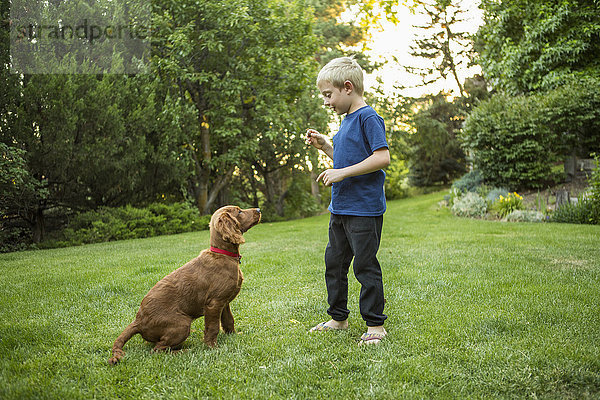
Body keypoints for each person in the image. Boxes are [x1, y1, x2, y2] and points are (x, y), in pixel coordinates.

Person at [305, 56, 390, 345]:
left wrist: (340, 172)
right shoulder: (346, 121)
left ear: (348, 88)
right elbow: (345, 160)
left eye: (328, 95)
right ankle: (338, 318)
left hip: (364, 210)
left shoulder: (368, 117)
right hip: (340, 209)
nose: (326, 102)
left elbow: (382, 158)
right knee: (335, 264)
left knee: (365, 267)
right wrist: (326, 145)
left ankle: (375, 326)